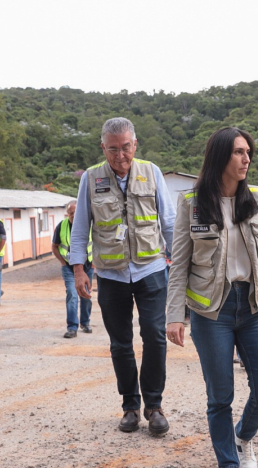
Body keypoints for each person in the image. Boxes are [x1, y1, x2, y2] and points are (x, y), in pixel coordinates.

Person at [165, 126, 258, 468]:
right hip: (213, 311)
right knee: (220, 395)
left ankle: (243, 437)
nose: (246, 159)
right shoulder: (192, 202)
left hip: (255, 306)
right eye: (239, 153)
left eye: (248, 153)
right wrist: (174, 314)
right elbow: (179, 263)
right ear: (220, 157)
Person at [70, 117, 174, 436]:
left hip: (151, 269)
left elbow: (169, 223)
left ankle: (154, 406)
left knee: (155, 336)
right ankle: (130, 407)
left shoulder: (152, 172)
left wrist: (181, 266)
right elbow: (80, 229)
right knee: (120, 343)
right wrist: (79, 270)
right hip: (111, 275)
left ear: (135, 145)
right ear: (103, 148)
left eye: (125, 148)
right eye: (112, 149)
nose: (120, 156)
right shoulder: (91, 178)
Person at [52, 200, 94, 338]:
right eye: (71, 213)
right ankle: (72, 327)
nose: (74, 215)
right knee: (72, 294)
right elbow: (54, 246)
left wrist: (94, 263)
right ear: (67, 214)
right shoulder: (61, 226)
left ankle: (85, 322)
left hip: (87, 266)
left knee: (86, 295)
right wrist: (63, 263)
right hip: (69, 268)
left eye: (76, 212)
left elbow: (98, 243)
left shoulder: (91, 224)